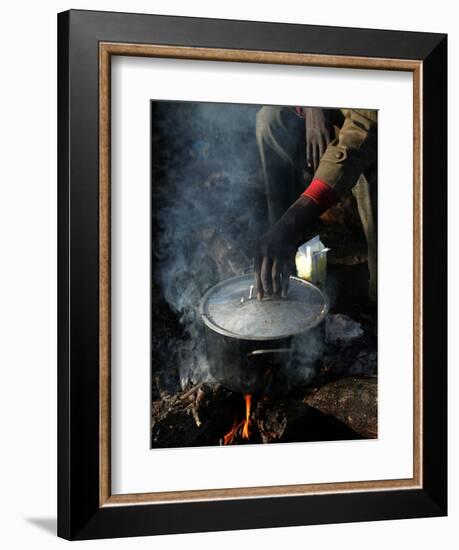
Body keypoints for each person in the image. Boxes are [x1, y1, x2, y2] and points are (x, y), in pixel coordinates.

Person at [254, 106, 377, 301]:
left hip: (370, 125)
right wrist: (312, 104)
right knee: (269, 121)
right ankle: (280, 255)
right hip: (329, 108)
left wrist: (294, 219)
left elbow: (364, 129)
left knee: (371, 161)